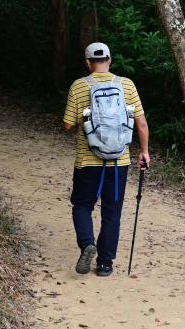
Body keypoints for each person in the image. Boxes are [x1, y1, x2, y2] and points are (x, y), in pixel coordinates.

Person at [62, 41, 150, 277]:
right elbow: (141, 123)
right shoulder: (126, 85)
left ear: (88, 62)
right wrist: (144, 151)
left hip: (87, 161)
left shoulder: (79, 86)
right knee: (112, 212)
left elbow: (68, 124)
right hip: (118, 162)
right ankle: (105, 264)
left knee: (82, 205)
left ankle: (87, 244)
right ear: (110, 60)